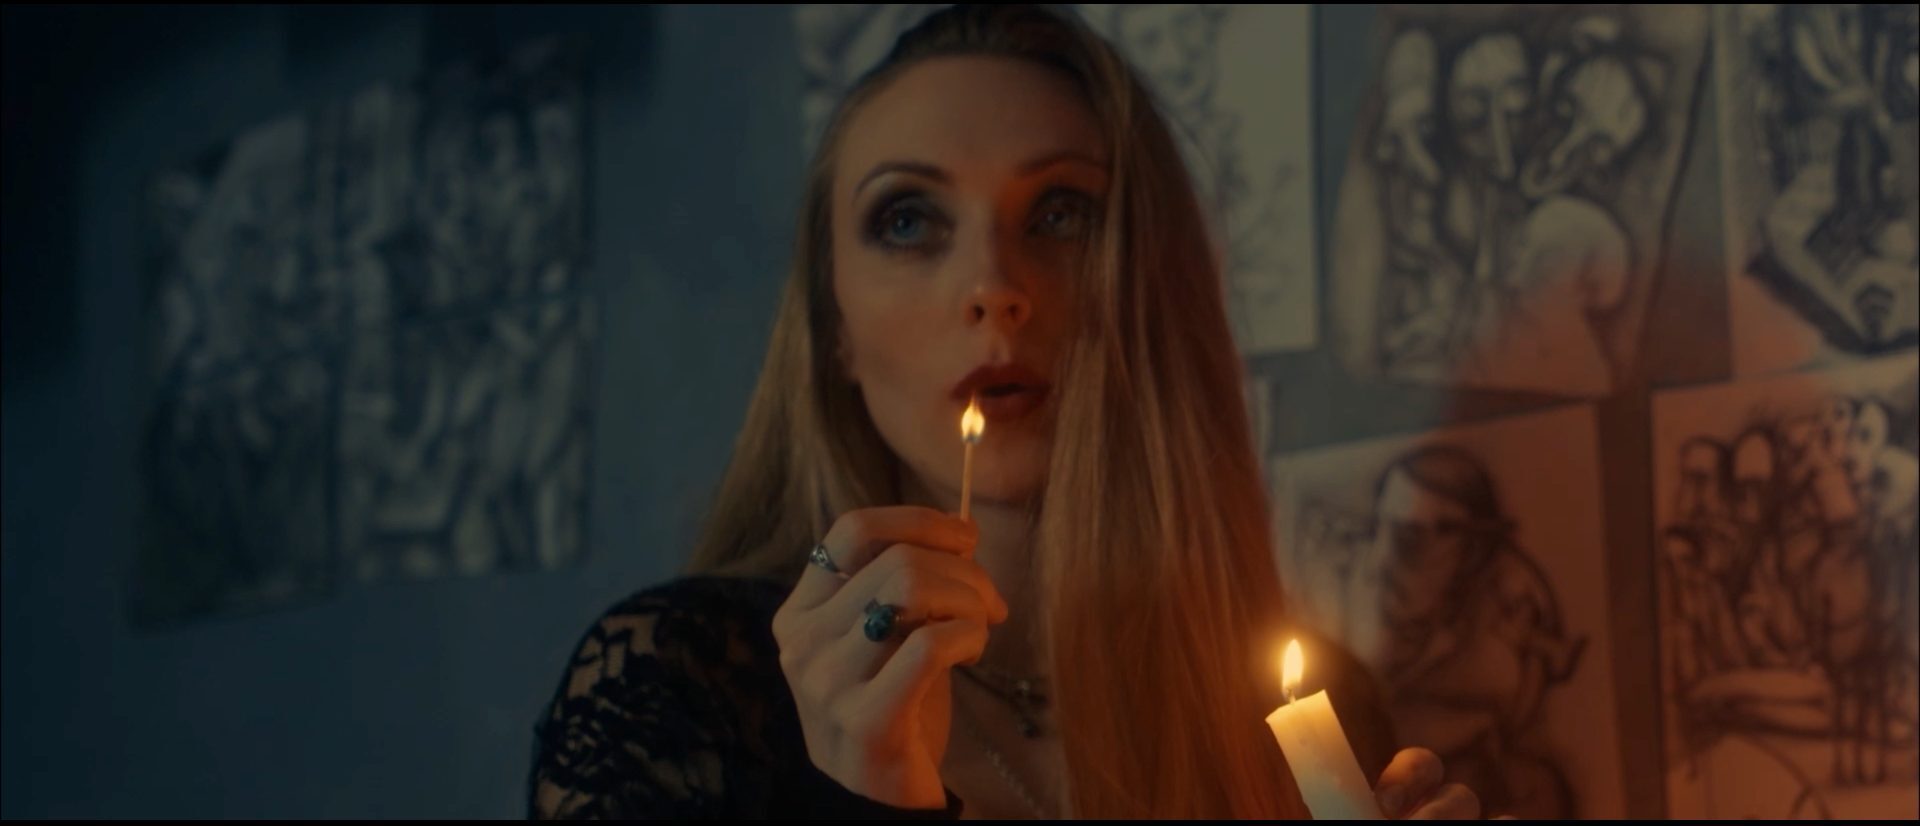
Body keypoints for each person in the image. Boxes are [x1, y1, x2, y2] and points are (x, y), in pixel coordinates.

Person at [527, 5, 1485, 819]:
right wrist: (870, 795)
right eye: (908, 219)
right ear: (834, 331)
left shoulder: (1305, 716)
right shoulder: (676, 689)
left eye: (1061, 213)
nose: (994, 286)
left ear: (1154, 286)